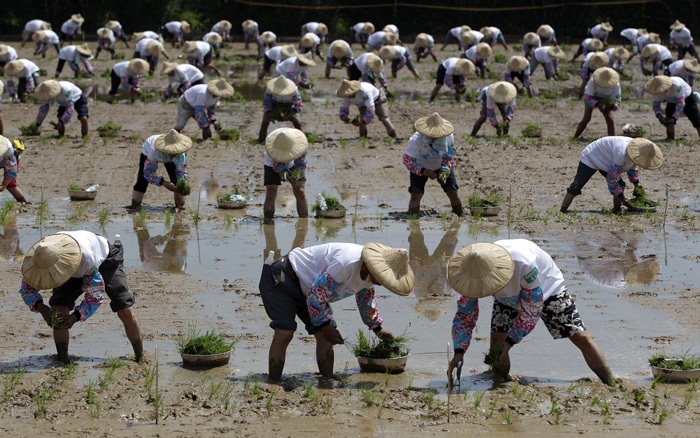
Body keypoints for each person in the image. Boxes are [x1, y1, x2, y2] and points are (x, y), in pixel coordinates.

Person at [446, 239, 616, 386]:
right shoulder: (470, 273)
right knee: (497, 343)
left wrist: (510, 341)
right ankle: (499, 385)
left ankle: (611, 383)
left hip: (547, 289)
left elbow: (532, 311)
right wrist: (459, 352)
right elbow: (465, 316)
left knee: (580, 337)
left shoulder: (524, 264)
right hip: (506, 296)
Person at [259, 241, 414, 381]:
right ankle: (274, 382)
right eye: (382, 278)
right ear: (373, 267)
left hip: (309, 288)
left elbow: (366, 302)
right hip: (283, 277)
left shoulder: (370, 277)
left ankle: (327, 379)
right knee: (285, 331)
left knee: (326, 338)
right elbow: (316, 295)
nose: (382, 283)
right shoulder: (346, 264)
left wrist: (378, 329)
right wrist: (326, 326)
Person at [19, 230, 144, 364]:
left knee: (123, 307)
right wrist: (42, 308)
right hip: (68, 266)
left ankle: (140, 357)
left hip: (104, 260)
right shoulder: (38, 259)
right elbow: (27, 289)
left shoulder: (86, 259)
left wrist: (76, 316)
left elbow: (95, 296)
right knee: (58, 311)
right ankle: (62, 361)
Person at [560, 136, 663, 213]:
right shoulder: (621, 152)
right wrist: (623, 199)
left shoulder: (638, 151)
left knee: (621, 185)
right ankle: (562, 211)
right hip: (592, 156)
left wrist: (637, 185)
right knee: (576, 187)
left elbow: (632, 169)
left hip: (608, 160)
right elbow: (612, 178)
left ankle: (616, 210)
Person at [403, 112, 463, 217]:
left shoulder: (448, 137)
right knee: (416, 195)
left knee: (452, 192)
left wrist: (444, 172)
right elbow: (407, 160)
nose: (435, 137)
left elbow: (449, 156)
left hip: (441, 164)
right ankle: (413, 221)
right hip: (420, 166)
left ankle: (460, 215)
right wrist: (423, 171)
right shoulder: (416, 140)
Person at [408, 219, 460, 321]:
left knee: (449, 240)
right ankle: (414, 222)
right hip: (423, 264)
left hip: (430, 264)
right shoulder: (420, 295)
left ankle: (456, 223)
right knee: (416, 239)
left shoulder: (444, 293)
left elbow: (447, 278)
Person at [131, 129, 192, 210]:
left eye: (175, 150)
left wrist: (182, 187)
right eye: (171, 150)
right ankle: (135, 207)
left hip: (167, 154)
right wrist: (164, 183)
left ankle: (180, 207)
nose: (173, 153)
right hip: (151, 151)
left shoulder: (181, 153)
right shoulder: (153, 150)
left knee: (177, 180)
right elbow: (148, 173)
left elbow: (182, 172)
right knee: (142, 181)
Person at [262, 127, 309, 223]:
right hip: (272, 164)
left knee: (300, 191)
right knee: (271, 193)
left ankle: (304, 222)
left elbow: (301, 162)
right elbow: (276, 165)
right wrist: (282, 172)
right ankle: (268, 221)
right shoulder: (271, 148)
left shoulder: (301, 143)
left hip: (295, 163)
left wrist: (297, 173)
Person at [644, 75, 700, 140]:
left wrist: (675, 117)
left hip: (686, 96)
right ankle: (670, 137)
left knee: (694, 115)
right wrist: (659, 116)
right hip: (671, 99)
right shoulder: (657, 91)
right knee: (669, 115)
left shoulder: (676, 85)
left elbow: (681, 103)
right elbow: (656, 105)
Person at [574, 67, 621, 139]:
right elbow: (587, 97)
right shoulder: (593, 81)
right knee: (587, 118)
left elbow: (617, 99)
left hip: (606, 101)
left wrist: (614, 106)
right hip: (592, 98)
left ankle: (611, 140)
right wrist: (597, 104)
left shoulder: (616, 85)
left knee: (610, 119)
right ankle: (575, 137)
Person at [258, 76, 303, 143]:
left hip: (288, 105)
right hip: (274, 105)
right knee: (265, 122)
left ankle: (301, 140)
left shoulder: (294, 90)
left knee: (297, 122)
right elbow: (266, 101)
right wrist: (269, 111)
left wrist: (291, 114)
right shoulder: (270, 89)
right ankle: (261, 140)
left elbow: (298, 104)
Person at [1, 136, 28, 203]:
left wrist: (3, 186)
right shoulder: (4, 147)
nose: (16, 155)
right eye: (16, 152)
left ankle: (23, 202)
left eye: (19, 153)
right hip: (2, 157)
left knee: (11, 184)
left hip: (6, 163)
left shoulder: (15, 158)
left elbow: (11, 175)